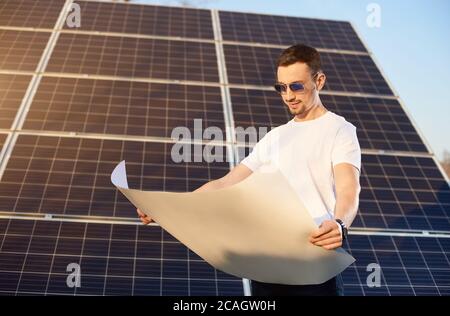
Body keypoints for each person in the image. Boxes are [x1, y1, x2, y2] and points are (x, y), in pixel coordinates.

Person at [137, 44, 361, 296]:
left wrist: (340, 224)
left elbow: (348, 189)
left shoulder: (340, 130)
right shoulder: (275, 138)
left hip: (316, 259)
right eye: (282, 88)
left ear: (319, 81)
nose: (289, 96)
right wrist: (164, 208)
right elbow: (226, 184)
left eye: (296, 86)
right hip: (268, 262)